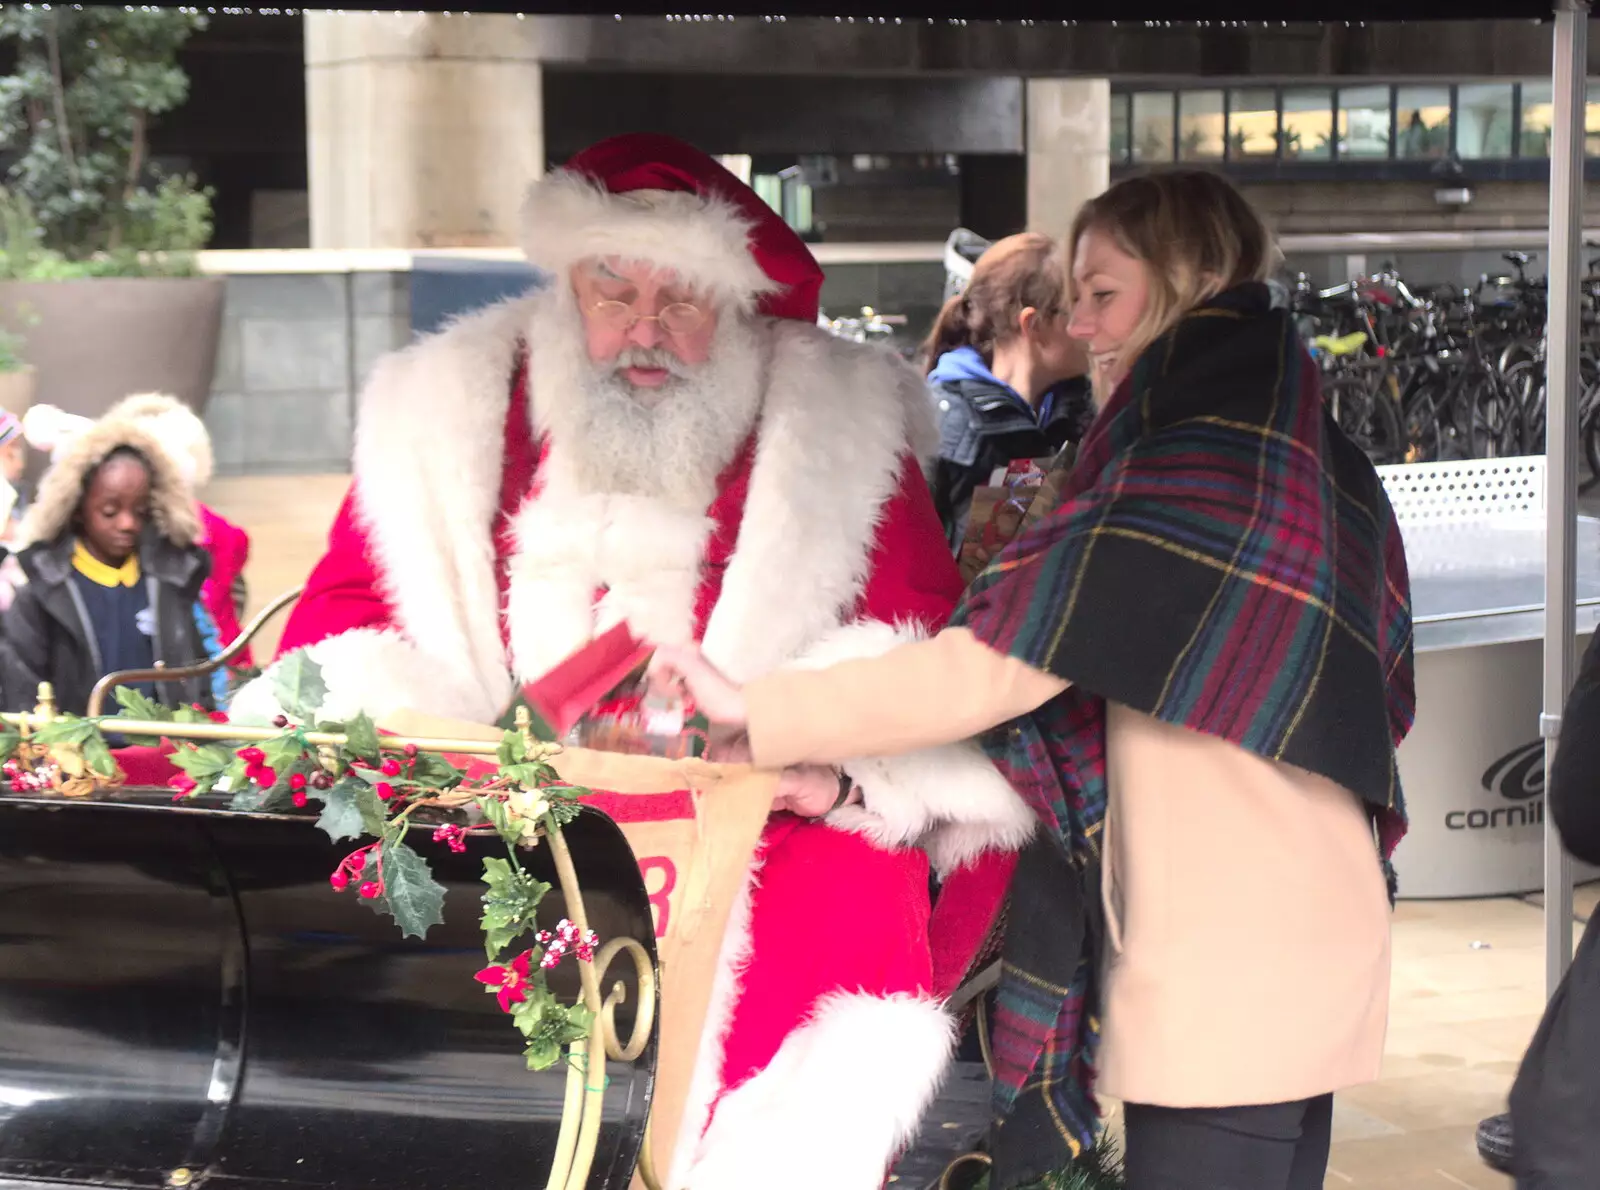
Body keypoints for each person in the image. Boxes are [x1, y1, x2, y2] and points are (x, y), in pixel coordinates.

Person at [228, 133, 1031, 1190]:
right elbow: (346, 628)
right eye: (613, 289)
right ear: (568, 284)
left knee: (848, 902)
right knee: (383, 922)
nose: (641, 329)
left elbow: (916, 643)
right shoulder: (441, 408)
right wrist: (466, 759)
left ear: (738, 305)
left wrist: (829, 773)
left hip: (760, 812)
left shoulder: (838, 421)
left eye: (682, 298)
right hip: (501, 809)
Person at [651, 170, 1416, 1190]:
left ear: (1191, 279)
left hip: (1227, 959)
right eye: (1073, 300)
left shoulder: (1186, 459)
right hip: (1315, 923)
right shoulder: (1306, 440)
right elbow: (1383, 684)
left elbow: (1000, 666)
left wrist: (761, 703)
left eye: (1104, 294)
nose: (1083, 328)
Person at [0, 417, 214, 715]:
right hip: (74, 757)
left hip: (162, 755)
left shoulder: (169, 584)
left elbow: (196, 679)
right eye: (110, 511)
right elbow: (20, 694)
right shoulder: (42, 593)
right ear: (76, 509)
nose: (128, 524)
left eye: (140, 511)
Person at [923, 232, 1090, 552]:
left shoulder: (1076, 412)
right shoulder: (947, 427)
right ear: (1033, 325)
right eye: (1076, 308)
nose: (1090, 323)